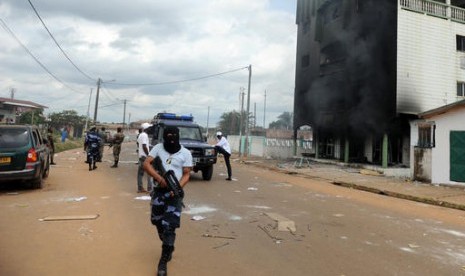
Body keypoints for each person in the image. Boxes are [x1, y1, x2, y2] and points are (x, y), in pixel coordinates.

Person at [143, 126, 193, 276]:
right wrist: (159, 178)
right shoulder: (158, 148)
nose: (171, 137)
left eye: (174, 135)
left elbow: (186, 174)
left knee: (169, 226)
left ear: (178, 136)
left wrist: (177, 187)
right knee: (156, 221)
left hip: (174, 194)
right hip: (159, 191)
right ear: (164, 136)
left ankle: (163, 261)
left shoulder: (185, 153)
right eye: (168, 135)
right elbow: (146, 164)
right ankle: (168, 243)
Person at [137, 123, 153, 193]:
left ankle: (140, 188)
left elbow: (138, 144)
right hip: (145, 157)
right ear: (147, 129)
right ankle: (149, 188)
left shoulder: (140, 135)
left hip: (141, 156)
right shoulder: (144, 135)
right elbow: (144, 146)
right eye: (149, 128)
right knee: (149, 172)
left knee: (140, 173)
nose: (150, 129)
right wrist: (148, 155)